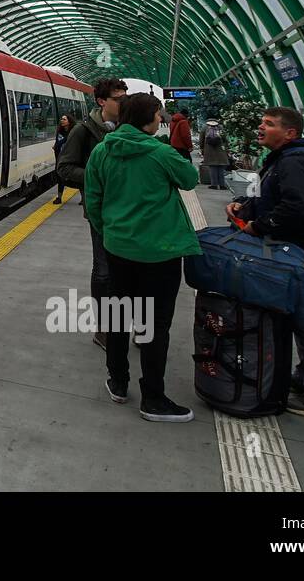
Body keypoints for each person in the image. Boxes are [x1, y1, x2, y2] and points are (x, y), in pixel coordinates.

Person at [85, 93, 201, 422]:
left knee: (119, 315)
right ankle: (153, 397)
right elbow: (190, 180)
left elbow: (94, 201)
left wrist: (109, 232)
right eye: (157, 115)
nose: (161, 119)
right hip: (159, 253)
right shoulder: (161, 153)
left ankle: (118, 382)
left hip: (118, 248)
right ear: (146, 119)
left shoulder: (102, 152)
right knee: (153, 325)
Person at [226, 107, 304, 419]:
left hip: (300, 259)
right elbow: (272, 199)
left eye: (269, 124)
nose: (260, 127)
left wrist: (258, 226)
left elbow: (296, 209)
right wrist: (246, 207)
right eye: (261, 121)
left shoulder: (296, 164)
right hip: (291, 256)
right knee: (302, 322)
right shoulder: (281, 161)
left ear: (290, 133)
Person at [57, 77, 128, 351]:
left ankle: (129, 322)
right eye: (118, 99)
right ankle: (104, 328)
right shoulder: (83, 131)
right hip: (101, 211)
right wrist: (99, 177)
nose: (124, 102)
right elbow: (64, 169)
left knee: (130, 270)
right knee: (103, 270)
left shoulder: (130, 128)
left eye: (125, 98)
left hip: (131, 210)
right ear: (102, 101)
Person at [51, 113, 75, 205]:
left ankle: (83, 197)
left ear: (69, 121)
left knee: (76, 179)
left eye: (64, 119)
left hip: (71, 157)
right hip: (60, 157)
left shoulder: (73, 132)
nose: (62, 121)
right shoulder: (60, 132)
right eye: (61, 119)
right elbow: (58, 142)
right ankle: (59, 197)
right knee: (59, 177)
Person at [200, 119, 229, 190]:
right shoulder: (220, 127)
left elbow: (201, 138)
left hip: (209, 150)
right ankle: (222, 185)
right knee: (221, 167)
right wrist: (226, 147)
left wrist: (202, 148)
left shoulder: (205, 127)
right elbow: (225, 138)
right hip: (220, 150)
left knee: (212, 167)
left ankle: (214, 184)